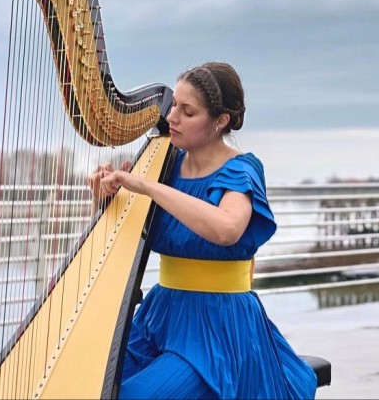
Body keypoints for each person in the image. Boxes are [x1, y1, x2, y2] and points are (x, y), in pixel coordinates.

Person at [89, 61, 318, 400]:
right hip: (161, 316)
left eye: (188, 112)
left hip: (218, 329)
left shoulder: (240, 170)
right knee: (89, 383)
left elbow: (227, 229)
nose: (171, 118)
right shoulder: (163, 164)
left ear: (220, 121)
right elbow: (127, 234)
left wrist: (148, 187)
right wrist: (104, 198)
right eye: (174, 106)